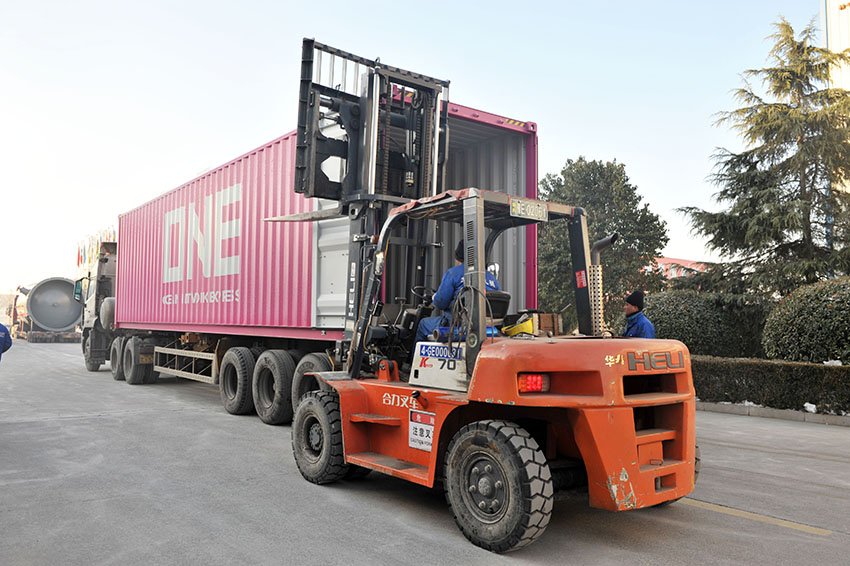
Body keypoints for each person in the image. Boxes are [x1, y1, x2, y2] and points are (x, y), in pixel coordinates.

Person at [415, 241, 500, 342]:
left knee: (423, 324)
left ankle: (412, 353)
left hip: (457, 325)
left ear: (458, 258)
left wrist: (434, 298)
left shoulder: (453, 273)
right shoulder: (491, 278)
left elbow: (440, 303)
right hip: (487, 326)